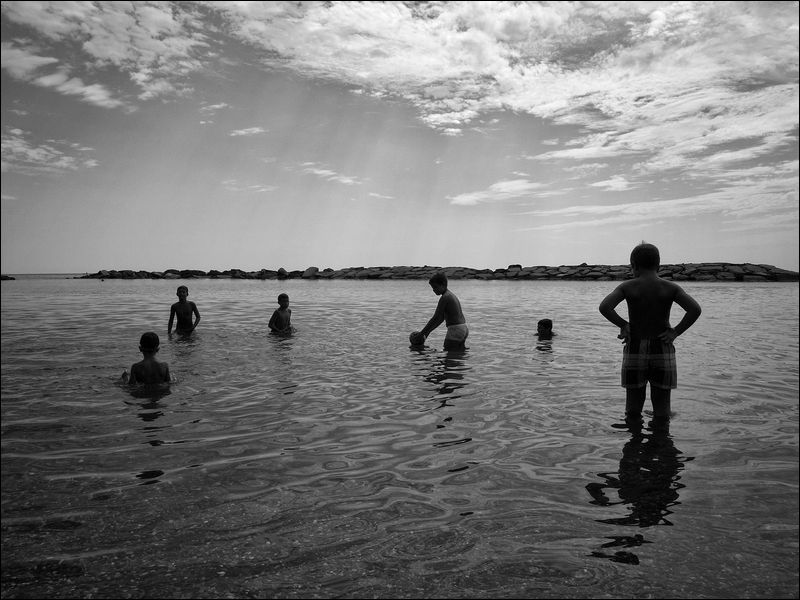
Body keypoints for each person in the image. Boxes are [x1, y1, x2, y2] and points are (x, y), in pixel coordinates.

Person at [599, 243, 701, 422]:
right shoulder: (670, 287)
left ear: (634, 266)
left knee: (632, 407)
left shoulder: (628, 286)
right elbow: (694, 309)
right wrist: (675, 332)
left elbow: (605, 307)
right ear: (658, 265)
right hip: (662, 346)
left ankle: (634, 442)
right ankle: (661, 443)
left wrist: (623, 324)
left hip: (635, 346)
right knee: (662, 409)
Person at [417, 272, 468, 351]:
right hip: (463, 328)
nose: (434, 290)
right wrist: (427, 333)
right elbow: (440, 319)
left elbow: (435, 317)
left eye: (435, 287)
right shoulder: (450, 295)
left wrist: (421, 333)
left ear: (443, 284)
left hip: (455, 330)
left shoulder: (445, 297)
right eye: (432, 288)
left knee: (448, 355)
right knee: (458, 354)